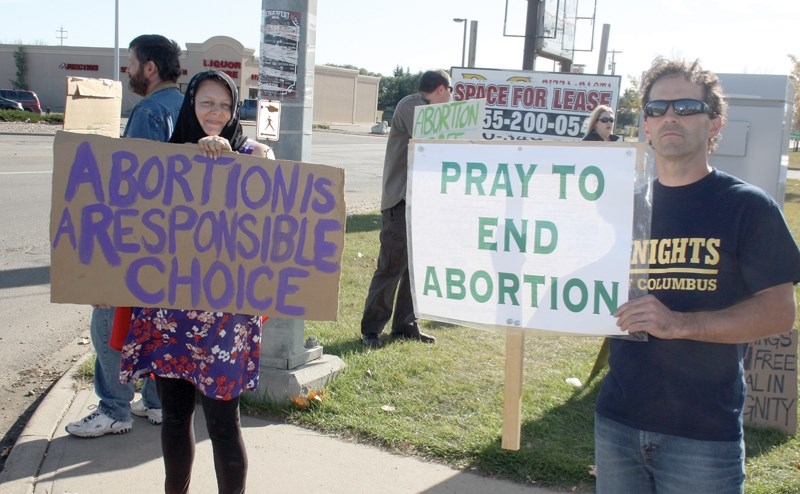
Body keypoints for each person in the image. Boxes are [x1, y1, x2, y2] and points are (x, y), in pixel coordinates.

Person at [594, 57, 800, 493]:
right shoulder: (618, 208)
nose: (671, 116)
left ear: (715, 125)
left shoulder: (748, 207)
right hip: (617, 422)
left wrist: (680, 324)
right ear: (646, 127)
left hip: (703, 436)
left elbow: (779, 314)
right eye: (657, 109)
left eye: (687, 107)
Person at [119, 69, 270, 494]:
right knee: (174, 416)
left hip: (225, 316)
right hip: (170, 312)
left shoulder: (253, 151)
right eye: (207, 102)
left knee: (223, 423)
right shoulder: (163, 156)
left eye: (225, 104)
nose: (216, 112)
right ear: (191, 104)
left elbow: (272, 184)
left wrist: (240, 158)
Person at [65, 33, 184, 438]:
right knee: (157, 321)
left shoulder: (149, 110)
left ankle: (114, 407)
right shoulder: (186, 106)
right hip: (173, 241)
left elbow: (134, 186)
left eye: (132, 62)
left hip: (138, 239)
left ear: (149, 67)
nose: (128, 70)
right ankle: (154, 402)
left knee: (109, 317)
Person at [360, 69, 453, 348]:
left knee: (417, 267)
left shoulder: (435, 112)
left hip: (425, 202)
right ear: (440, 89)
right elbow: (432, 138)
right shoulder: (411, 105)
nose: (451, 97)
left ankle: (406, 324)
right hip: (401, 200)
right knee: (392, 265)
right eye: (450, 91)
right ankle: (372, 329)